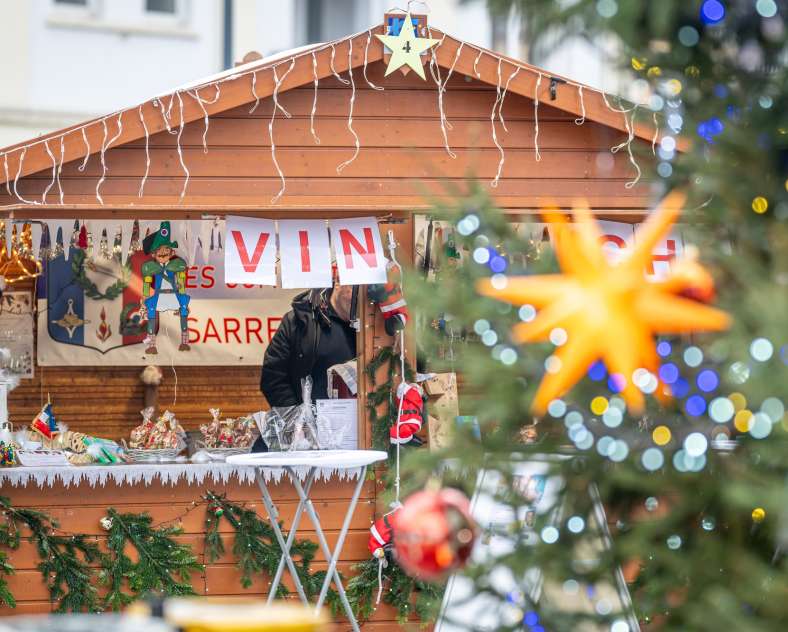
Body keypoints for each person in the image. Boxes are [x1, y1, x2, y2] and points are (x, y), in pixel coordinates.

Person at [260, 278, 357, 409]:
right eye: (356, 289)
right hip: (308, 420)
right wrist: (296, 417)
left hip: (362, 420)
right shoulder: (299, 320)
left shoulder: (373, 324)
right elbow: (273, 377)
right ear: (338, 281)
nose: (360, 299)